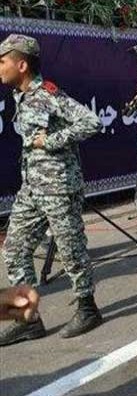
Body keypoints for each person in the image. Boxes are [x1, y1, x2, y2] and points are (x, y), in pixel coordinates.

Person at [0, 34, 104, 346]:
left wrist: (52, 141)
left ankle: (88, 308)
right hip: (32, 188)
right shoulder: (21, 96)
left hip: (59, 187)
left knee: (71, 250)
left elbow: (92, 122)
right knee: (14, 250)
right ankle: (26, 319)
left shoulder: (47, 94)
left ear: (21, 65)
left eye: (2, 61)